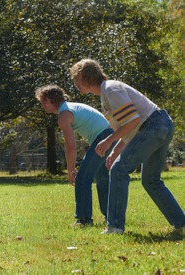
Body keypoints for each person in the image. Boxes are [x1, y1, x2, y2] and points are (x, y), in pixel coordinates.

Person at [70, 58, 185, 234]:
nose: (75, 83)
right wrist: (116, 150)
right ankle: (181, 223)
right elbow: (131, 126)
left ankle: (115, 226)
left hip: (153, 126)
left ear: (86, 77)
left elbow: (133, 121)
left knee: (118, 170)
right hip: (160, 125)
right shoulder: (107, 91)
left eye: (76, 79)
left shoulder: (110, 89)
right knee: (151, 181)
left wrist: (108, 141)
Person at [35, 84, 114, 226]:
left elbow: (70, 147)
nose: (42, 105)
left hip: (104, 137)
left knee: (82, 178)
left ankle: (83, 220)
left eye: (44, 101)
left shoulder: (64, 115)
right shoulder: (69, 108)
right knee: (102, 178)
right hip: (110, 135)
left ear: (53, 100)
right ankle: (111, 217)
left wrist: (71, 170)